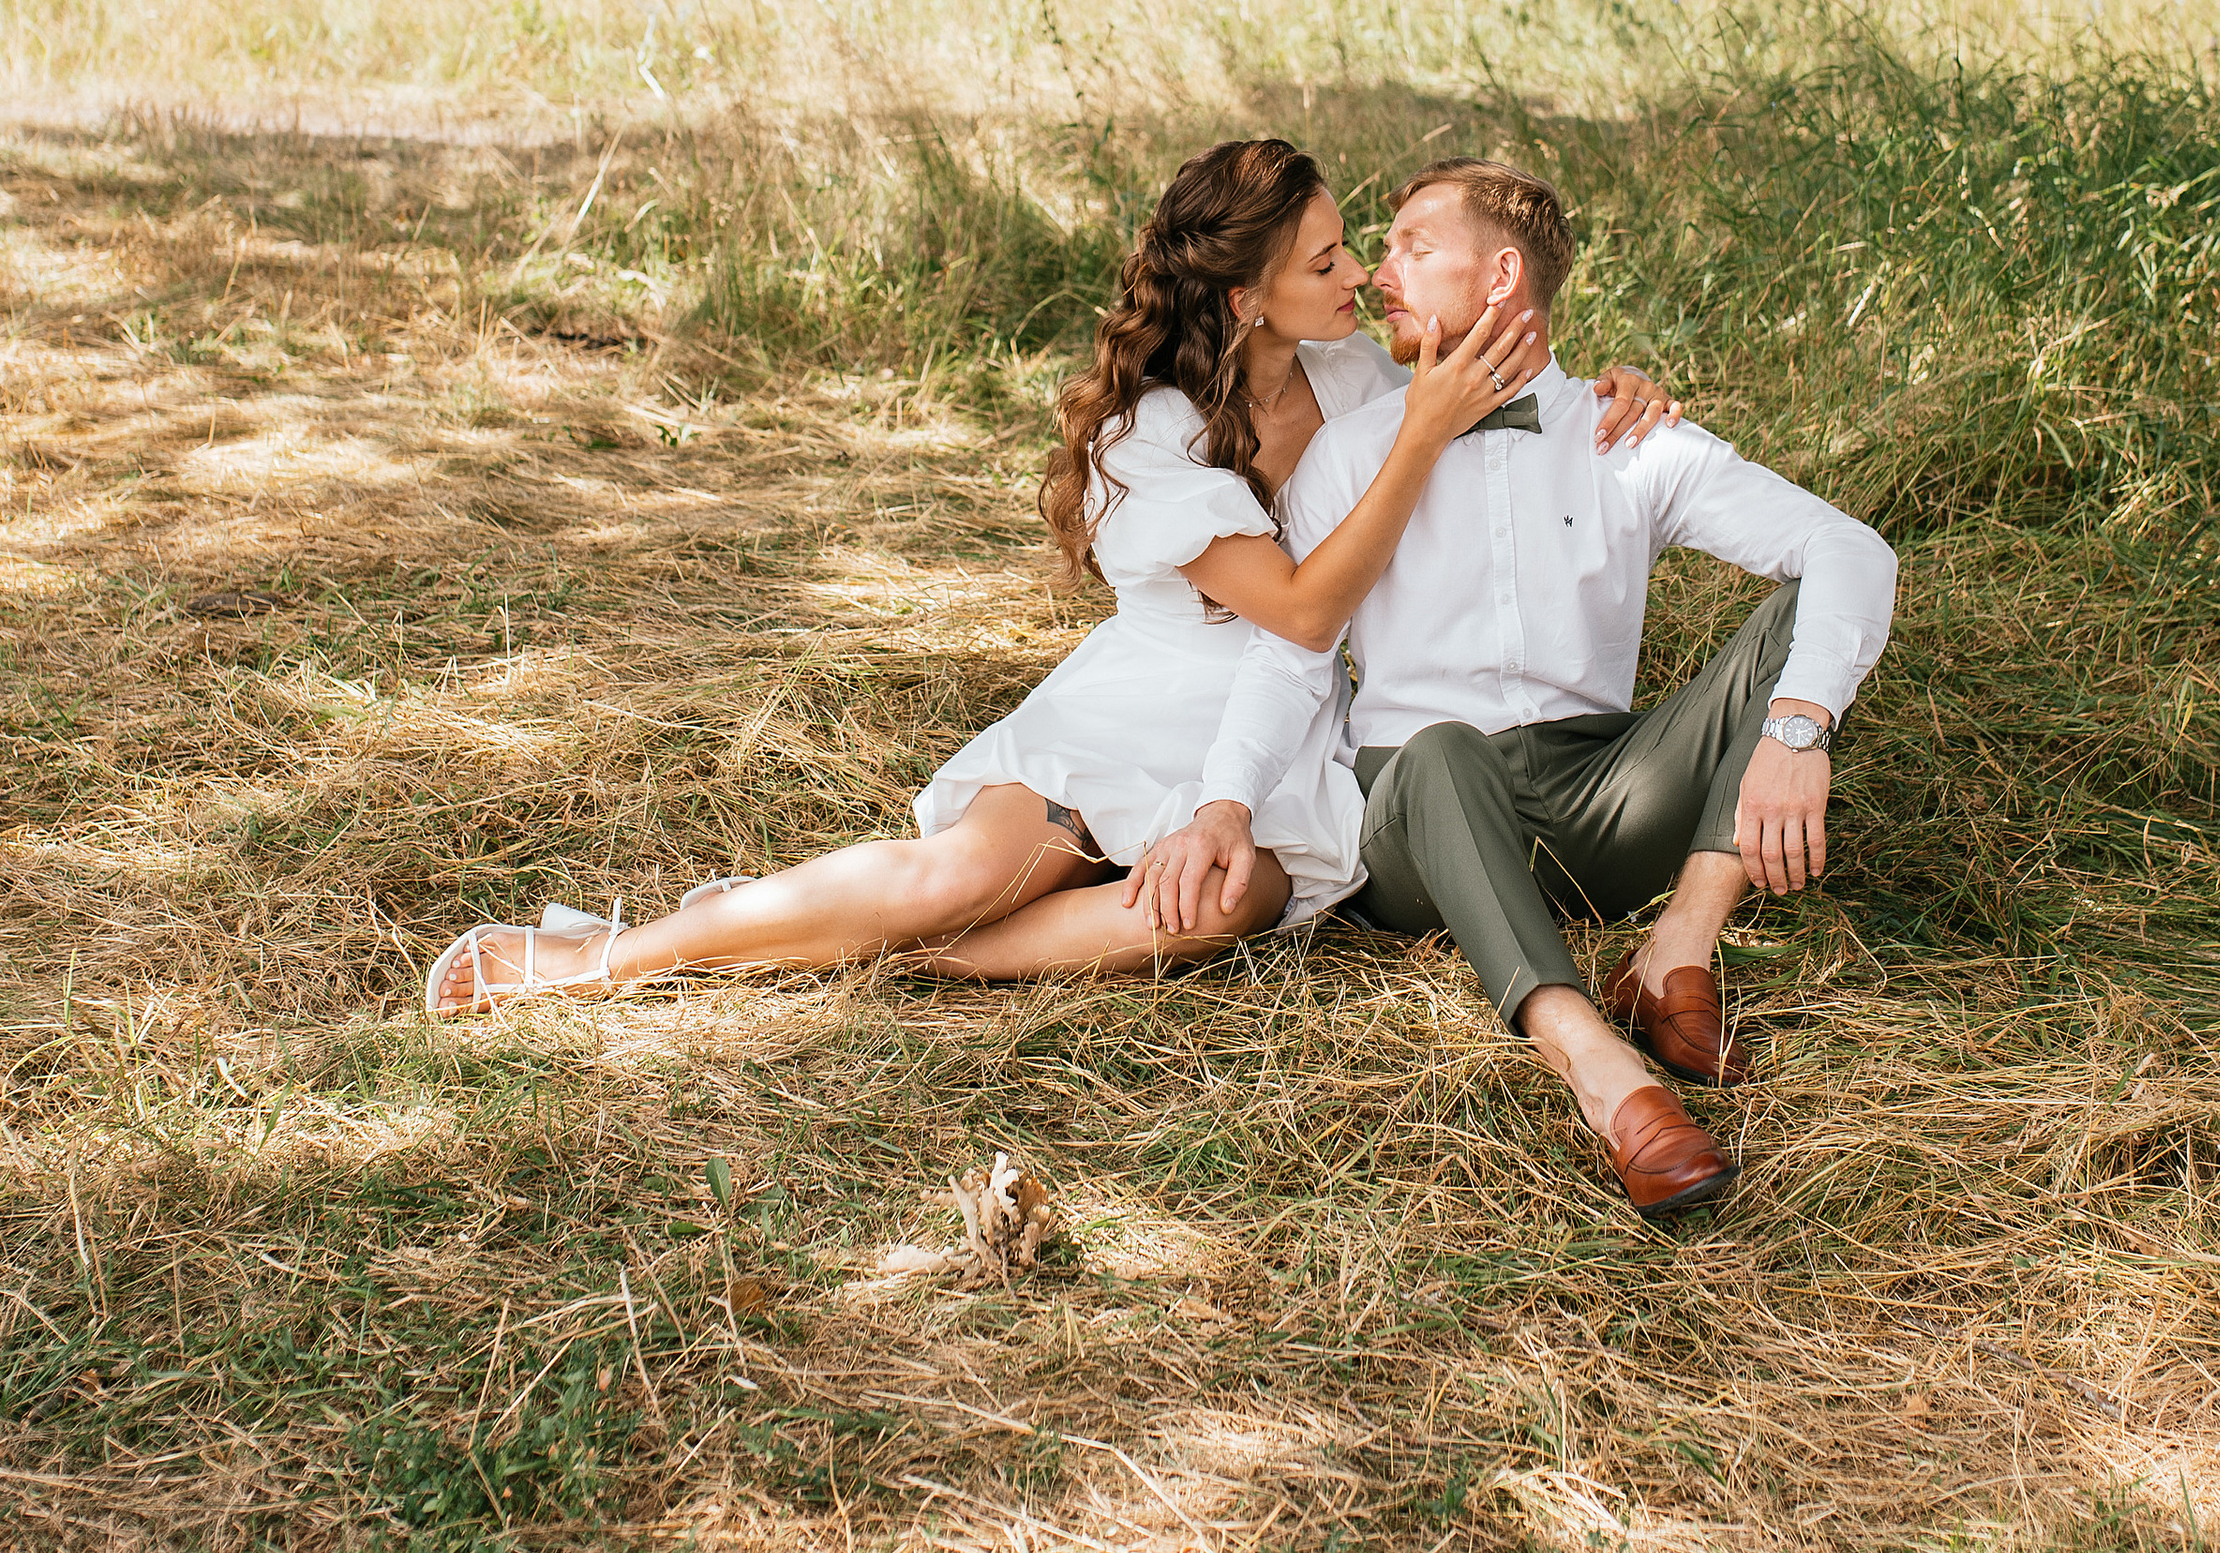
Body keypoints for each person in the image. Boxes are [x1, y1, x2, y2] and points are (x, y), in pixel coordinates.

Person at [421, 138, 1675, 1018]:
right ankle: (605, 957)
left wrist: (1614, 391)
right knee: (955, 874)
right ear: (1247, 299)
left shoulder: (1356, 380)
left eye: (1356, 250)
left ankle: (911, 961)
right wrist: (1419, 435)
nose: (1359, 278)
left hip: (1290, 725)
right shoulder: (1154, 434)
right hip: (1151, 700)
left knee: (1214, 909)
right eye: (1327, 262)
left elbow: (1497, 395)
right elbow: (1301, 605)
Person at [1126, 160, 1898, 1223]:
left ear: (1498, 276)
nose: (1374, 273)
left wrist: (1799, 729)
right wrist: (1226, 801)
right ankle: (1598, 1069)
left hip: (1603, 798)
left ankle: (1677, 950)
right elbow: (1292, 652)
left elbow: (1850, 548)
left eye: (1408, 246)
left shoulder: (1627, 439)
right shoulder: (1350, 455)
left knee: (1801, 610)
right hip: (1420, 820)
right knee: (1441, 749)